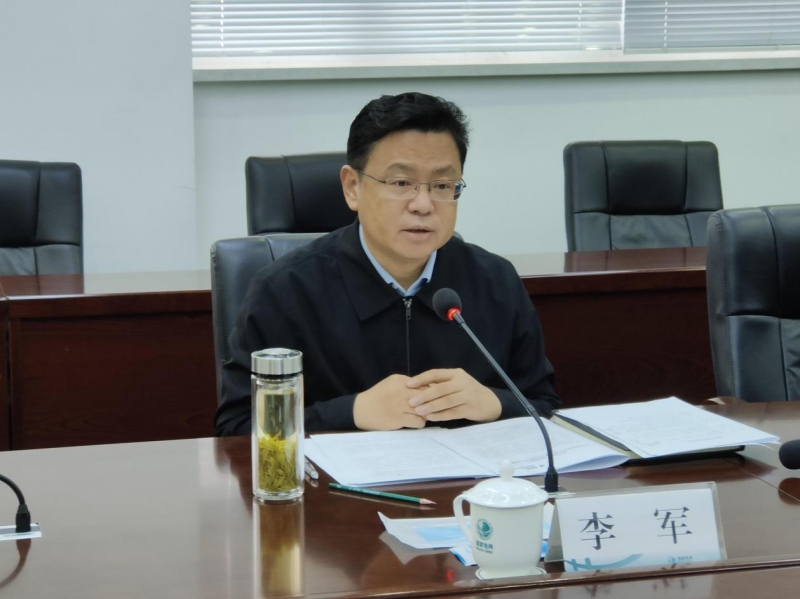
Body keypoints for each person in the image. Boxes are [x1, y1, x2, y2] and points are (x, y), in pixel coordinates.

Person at [215, 92, 560, 435]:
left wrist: (495, 403)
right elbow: (237, 428)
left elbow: (546, 406)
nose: (423, 204)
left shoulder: (495, 281)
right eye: (401, 183)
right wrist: (351, 412)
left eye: (442, 185)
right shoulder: (285, 291)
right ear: (353, 187)